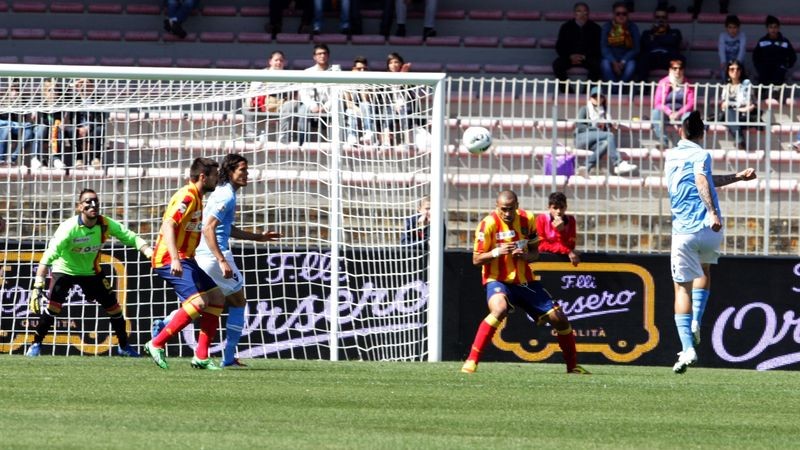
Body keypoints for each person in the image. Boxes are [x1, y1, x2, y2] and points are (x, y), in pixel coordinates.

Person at [151, 154, 281, 367]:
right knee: (228, 301)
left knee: (215, 298)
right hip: (204, 255)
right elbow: (203, 227)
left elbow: (222, 227)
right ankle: (223, 356)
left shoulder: (206, 196)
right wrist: (220, 259)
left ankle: (201, 355)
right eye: (243, 170)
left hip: (195, 255)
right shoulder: (210, 196)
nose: (247, 174)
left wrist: (258, 237)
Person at [664, 111, 756, 374]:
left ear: (680, 132)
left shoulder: (670, 156)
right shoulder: (702, 155)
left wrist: (712, 211)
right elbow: (704, 179)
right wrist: (737, 179)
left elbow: (700, 180)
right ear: (702, 134)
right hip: (710, 230)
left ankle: (687, 348)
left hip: (684, 232)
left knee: (681, 289)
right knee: (704, 269)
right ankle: (697, 320)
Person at [460, 190, 589, 375]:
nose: (507, 213)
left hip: (525, 281)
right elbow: (476, 259)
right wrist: (497, 251)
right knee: (499, 309)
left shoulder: (527, 219)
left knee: (559, 318)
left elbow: (536, 252)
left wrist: (525, 256)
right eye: (503, 209)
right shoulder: (487, 224)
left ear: (517, 206)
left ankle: (573, 366)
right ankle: (471, 361)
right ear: (497, 207)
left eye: (511, 208)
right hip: (498, 280)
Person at [25, 189, 153, 358]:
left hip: (91, 272)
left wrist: (148, 251)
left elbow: (130, 236)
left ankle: (123, 346)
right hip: (65, 270)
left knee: (115, 309)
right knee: (53, 308)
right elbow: (48, 256)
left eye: (95, 201)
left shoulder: (105, 224)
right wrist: (37, 285)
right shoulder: (68, 228)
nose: (93, 204)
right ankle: (35, 344)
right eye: (87, 201)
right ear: (79, 207)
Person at [144, 157, 228, 370]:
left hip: (186, 258)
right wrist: (174, 258)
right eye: (215, 175)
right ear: (203, 177)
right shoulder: (188, 196)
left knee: (216, 298)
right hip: (169, 258)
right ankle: (156, 343)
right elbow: (168, 225)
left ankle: (201, 356)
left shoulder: (197, 197)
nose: (217, 179)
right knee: (199, 302)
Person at [574, 86, 637, 176]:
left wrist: (610, 124)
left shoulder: (604, 113)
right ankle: (618, 163)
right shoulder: (585, 109)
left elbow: (603, 131)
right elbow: (579, 126)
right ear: (590, 98)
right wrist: (596, 127)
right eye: (594, 97)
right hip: (581, 138)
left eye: (600, 97)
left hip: (594, 142)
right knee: (609, 135)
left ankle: (585, 167)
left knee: (606, 144)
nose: (597, 99)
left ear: (603, 99)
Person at [245, 50, 301, 144]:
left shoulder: (289, 75)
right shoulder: (262, 74)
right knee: (246, 106)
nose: (279, 62)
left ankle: (284, 137)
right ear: (270, 61)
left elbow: (296, 94)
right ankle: (251, 136)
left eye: (281, 60)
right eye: (276, 60)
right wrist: (250, 101)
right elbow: (252, 91)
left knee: (291, 105)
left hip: (282, 106)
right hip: (263, 106)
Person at [552, 2, 602, 83]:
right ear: (574, 13)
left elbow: (597, 47)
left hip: (587, 58)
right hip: (570, 57)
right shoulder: (566, 27)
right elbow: (560, 46)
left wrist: (584, 56)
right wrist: (570, 56)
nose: (582, 14)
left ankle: (587, 89)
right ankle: (567, 89)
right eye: (579, 11)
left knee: (598, 65)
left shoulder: (595, 28)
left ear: (588, 13)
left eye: (585, 11)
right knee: (557, 65)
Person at [651, 58, 695, 149]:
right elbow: (657, 103)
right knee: (655, 113)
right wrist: (670, 112)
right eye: (674, 68)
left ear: (683, 70)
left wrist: (678, 113)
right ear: (670, 70)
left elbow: (691, 103)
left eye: (680, 68)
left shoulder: (688, 84)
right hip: (666, 112)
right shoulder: (663, 82)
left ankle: (686, 143)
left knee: (688, 116)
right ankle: (663, 140)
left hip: (682, 112)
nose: (677, 71)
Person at [298, 44, 337, 145]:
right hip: (311, 106)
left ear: (328, 55)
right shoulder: (308, 72)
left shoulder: (336, 71)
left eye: (324, 53)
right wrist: (313, 106)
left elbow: (337, 94)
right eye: (319, 54)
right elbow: (303, 93)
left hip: (329, 105)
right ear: (314, 57)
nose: (322, 56)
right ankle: (302, 143)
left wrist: (325, 107)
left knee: (338, 110)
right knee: (302, 110)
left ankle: (335, 143)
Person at [637, 5, 683, 81]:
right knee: (642, 59)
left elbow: (674, 42)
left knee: (679, 59)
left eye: (663, 17)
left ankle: (675, 85)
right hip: (651, 58)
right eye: (658, 17)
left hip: (668, 58)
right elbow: (645, 45)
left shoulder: (675, 32)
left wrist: (656, 38)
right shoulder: (647, 33)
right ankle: (642, 86)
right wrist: (654, 32)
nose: (661, 20)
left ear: (667, 19)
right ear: (654, 19)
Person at [719, 60, 757, 150]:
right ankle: (739, 139)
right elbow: (723, 105)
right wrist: (729, 106)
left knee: (730, 112)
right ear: (728, 71)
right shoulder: (726, 86)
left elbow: (751, 104)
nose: (735, 71)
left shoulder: (746, 84)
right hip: (729, 114)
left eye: (738, 69)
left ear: (741, 71)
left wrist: (734, 107)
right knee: (729, 112)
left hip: (743, 114)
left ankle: (739, 140)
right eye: (732, 69)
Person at [536, 192, 580, 267]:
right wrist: (567, 251)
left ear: (566, 207)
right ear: (549, 208)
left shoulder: (571, 220)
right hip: (546, 260)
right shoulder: (542, 219)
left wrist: (561, 231)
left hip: (564, 260)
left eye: (561, 207)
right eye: (555, 208)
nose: (558, 211)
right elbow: (541, 245)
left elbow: (571, 245)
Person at [600, 2, 640, 84]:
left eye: (624, 14)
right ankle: (615, 89)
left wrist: (623, 61)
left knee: (632, 65)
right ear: (613, 15)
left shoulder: (633, 27)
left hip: (626, 59)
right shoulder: (607, 27)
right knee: (605, 64)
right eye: (618, 14)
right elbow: (604, 48)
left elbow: (636, 48)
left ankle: (619, 88)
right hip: (611, 58)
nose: (621, 16)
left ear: (627, 15)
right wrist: (614, 62)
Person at [752, 15, 797, 87]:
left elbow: (793, 56)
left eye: (775, 27)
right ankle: (762, 92)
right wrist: (760, 68)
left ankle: (776, 92)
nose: (773, 30)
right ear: (767, 28)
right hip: (765, 69)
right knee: (763, 79)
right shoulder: (762, 41)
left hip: (779, 70)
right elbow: (755, 57)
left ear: (779, 28)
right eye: (771, 27)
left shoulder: (785, 42)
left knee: (778, 77)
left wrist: (785, 66)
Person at [344, 56, 377, 145]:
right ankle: (352, 136)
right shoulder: (347, 82)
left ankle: (368, 133)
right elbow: (348, 103)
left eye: (364, 69)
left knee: (365, 105)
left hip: (367, 110)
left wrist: (363, 84)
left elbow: (367, 100)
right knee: (351, 111)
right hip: (352, 109)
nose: (362, 71)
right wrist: (358, 110)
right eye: (359, 69)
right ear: (353, 69)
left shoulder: (371, 83)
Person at [718, 15, 746, 80]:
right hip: (726, 62)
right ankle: (725, 82)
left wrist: (737, 63)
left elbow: (742, 50)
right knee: (724, 70)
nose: (732, 30)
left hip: (738, 61)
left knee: (738, 72)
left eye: (734, 27)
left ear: (738, 28)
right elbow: (721, 50)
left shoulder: (742, 36)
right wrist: (723, 61)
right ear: (726, 28)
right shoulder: (722, 36)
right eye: (730, 27)